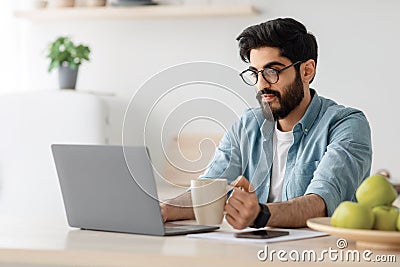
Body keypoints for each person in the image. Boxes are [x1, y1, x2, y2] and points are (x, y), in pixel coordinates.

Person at [161, 18, 372, 229]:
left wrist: (260, 214)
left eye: (273, 71)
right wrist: (163, 209)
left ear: (307, 71)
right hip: (253, 252)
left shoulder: (346, 125)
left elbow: (320, 203)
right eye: (255, 73)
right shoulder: (248, 125)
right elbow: (208, 192)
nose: (262, 85)